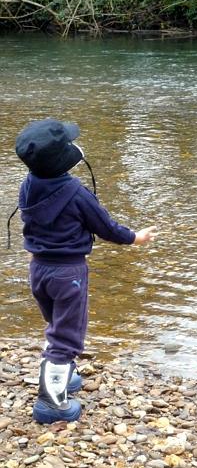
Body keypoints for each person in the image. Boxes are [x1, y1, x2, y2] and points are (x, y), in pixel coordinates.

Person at [13, 118, 157, 424]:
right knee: (66, 338)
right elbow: (105, 227)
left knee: (56, 323)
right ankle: (50, 404)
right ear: (64, 158)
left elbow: (31, 225)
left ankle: (63, 375)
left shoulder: (28, 185)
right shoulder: (75, 192)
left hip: (38, 269)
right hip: (69, 274)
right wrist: (135, 238)